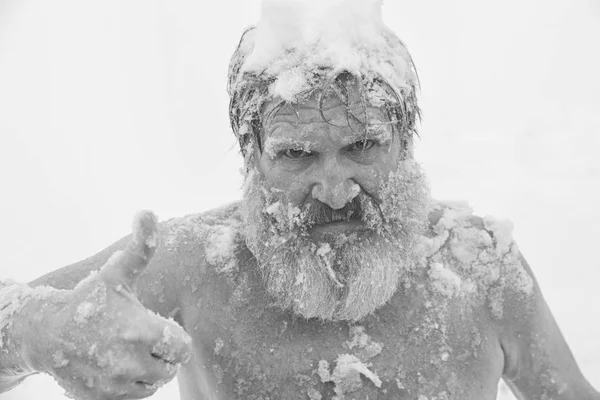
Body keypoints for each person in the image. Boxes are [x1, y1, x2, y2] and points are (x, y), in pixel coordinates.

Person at [1, 4, 599, 400]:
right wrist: (39, 331)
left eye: (363, 146)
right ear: (252, 158)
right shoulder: (200, 263)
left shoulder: (479, 270)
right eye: (297, 155)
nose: (334, 189)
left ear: (405, 145)